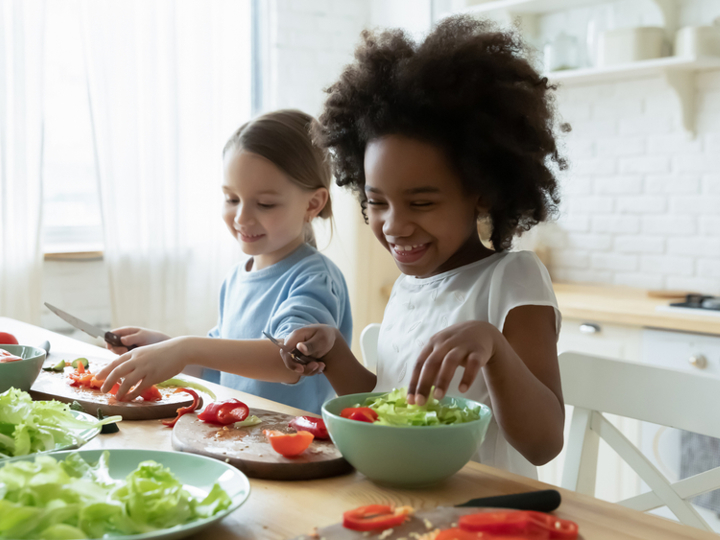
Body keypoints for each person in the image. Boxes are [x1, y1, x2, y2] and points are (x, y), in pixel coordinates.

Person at [281, 17, 567, 476]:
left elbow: (544, 443)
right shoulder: (408, 287)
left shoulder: (512, 279)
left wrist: (493, 346)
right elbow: (390, 403)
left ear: (482, 191)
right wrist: (334, 352)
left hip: (488, 515)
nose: (395, 225)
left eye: (421, 202)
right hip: (404, 503)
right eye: (377, 202)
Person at [98, 110, 352, 415]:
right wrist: (163, 349)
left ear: (313, 203)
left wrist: (183, 348)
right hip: (240, 437)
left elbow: (289, 362)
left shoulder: (315, 277)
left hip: (294, 448)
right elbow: (216, 366)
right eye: (232, 199)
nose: (242, 217)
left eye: (265, 203)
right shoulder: (236, 278)